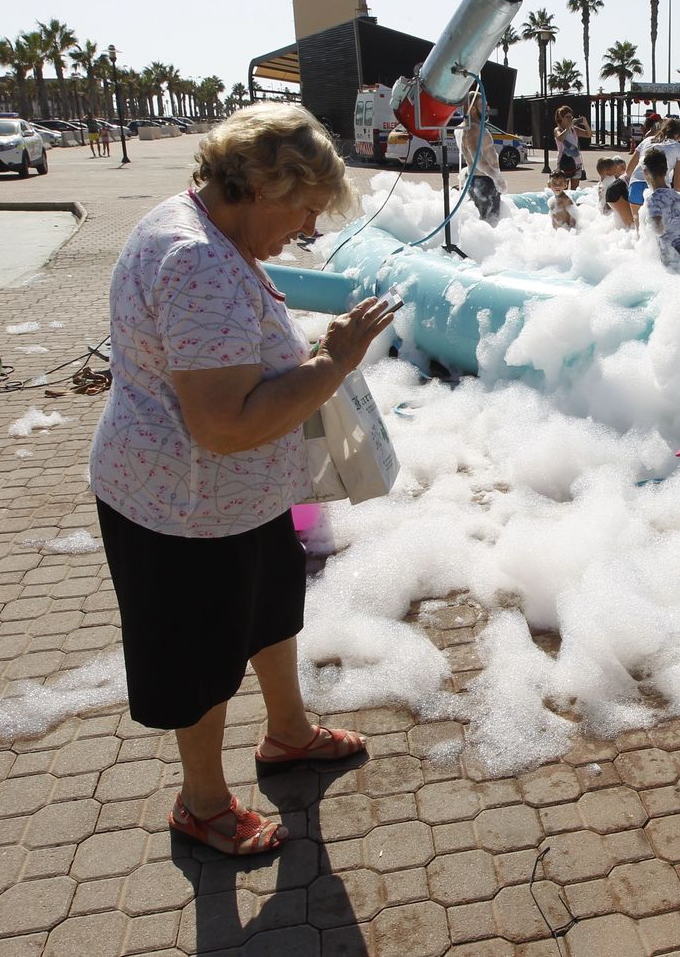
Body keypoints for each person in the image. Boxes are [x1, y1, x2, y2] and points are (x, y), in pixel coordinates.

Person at [90, 104, 397, 856]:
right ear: (263, 185)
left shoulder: (203, 226)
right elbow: (223, 425)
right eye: (304, 209)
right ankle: (201, 803)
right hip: (183, 508)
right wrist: (332, 364)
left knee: (267, 615)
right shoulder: (195, 260)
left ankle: (288, 733)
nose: (308, 228)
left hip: (234, 502)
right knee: (200, 658)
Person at [643, 148, 680, 274]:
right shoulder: (678, 196)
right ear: (666, 171)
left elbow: (658, 228)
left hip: (674, 252)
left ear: (645, 172)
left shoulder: (653, 200)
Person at [459, 91, 505, 225]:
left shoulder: (472, 127)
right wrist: (496, 177)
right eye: (483, 106)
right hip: (482, 182)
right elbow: (477, 160)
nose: (487, 109)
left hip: (482, 181)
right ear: (473, 109)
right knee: (490, 224)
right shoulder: (472, 129)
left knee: (488, 222)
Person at [625, 116, 680, 206]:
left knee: (638, 219)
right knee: (659, 220)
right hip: (658, 188)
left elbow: (629, 171)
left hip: (636, 185)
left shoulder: (646, 141)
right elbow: (679, 184)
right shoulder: (679, 149)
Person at [554, 106, 590, 182]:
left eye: (571, 117)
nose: (569, 119)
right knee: (563, 186)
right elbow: (560, 138)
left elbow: (588, 134)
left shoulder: (574, 129)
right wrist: (568, 127)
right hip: (564, 162)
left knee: (575, 189)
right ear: (561, 118)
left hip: (576, 161)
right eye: (567, 117)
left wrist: (585, 124)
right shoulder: (558, 129)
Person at [597, 156, 633, 227]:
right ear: (608, 172)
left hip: (603, 206)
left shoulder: (603, 180)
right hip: (608, 207)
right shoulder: (610, 180)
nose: (616, 170)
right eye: (614, 168)